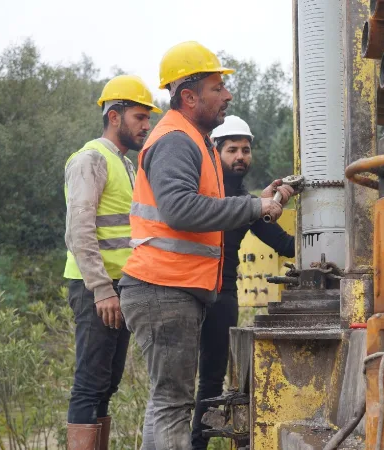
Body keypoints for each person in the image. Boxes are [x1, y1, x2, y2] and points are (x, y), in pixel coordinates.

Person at [118, 41, 294, 450]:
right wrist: (254, 205)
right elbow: (180, 208)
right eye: (218, 88)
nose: (227, 95)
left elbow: (210, 208)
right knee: (173, 405)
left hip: (168, 289)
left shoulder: (195, 140)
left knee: (167, 404)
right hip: (163, 289)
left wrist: (258, 203)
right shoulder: (177, 140)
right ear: (189, 96)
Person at [63, 75, 161, 450]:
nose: (146, 125)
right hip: (96, 290)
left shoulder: (125, 164)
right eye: (139, 117)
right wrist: (102, 290)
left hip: (121, 288)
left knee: (107, 384)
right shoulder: (90, 159)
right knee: (89, 384)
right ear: (114, 116)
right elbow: (80, 231)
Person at [191, 116, 295, 449]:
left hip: (222, 297)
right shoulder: (201, 191)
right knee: (176, 385)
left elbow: (282, 243)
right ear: (215, 152)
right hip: (188, 293)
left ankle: (197, 446)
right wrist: (260, 205)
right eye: (232, 149)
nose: (240, 156)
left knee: (211, 381)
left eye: (246, 150)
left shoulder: (246, 201)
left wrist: (329, 234)